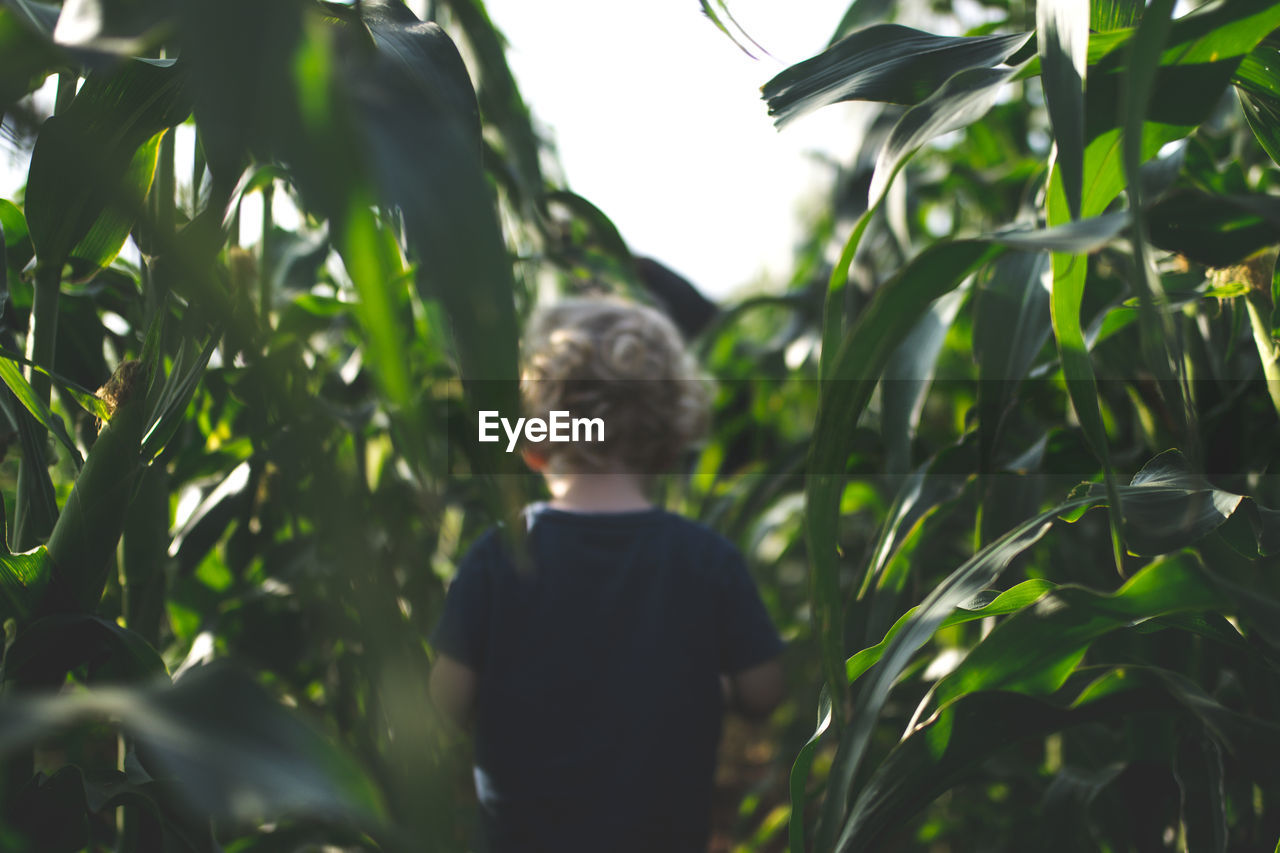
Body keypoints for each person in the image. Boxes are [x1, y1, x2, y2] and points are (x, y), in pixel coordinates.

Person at [429, 296, 785, 853]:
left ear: (535, 442)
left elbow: (445, 700)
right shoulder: (707, 560)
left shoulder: (497, 557)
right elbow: (763, 690)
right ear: (669, 441)